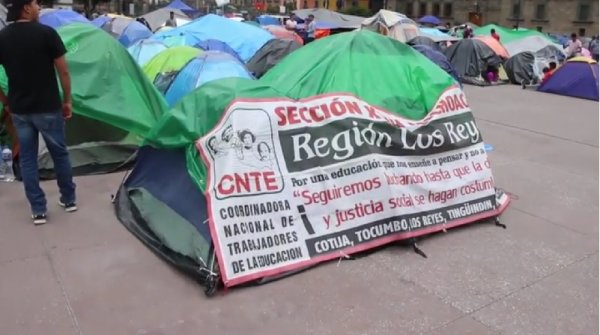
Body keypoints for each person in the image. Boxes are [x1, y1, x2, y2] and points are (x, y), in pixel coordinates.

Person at [0, 0, 77, 225]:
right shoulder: (47, 34)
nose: (38, 7)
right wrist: (67, 101)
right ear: (26, 8)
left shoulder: (2, 38)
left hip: (20, 110)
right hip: (49, 107)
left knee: (28, 159)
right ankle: (69, 199)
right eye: (35, 3)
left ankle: (38, 210)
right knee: (60, 153)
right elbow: (63, 71)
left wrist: (6, 102)